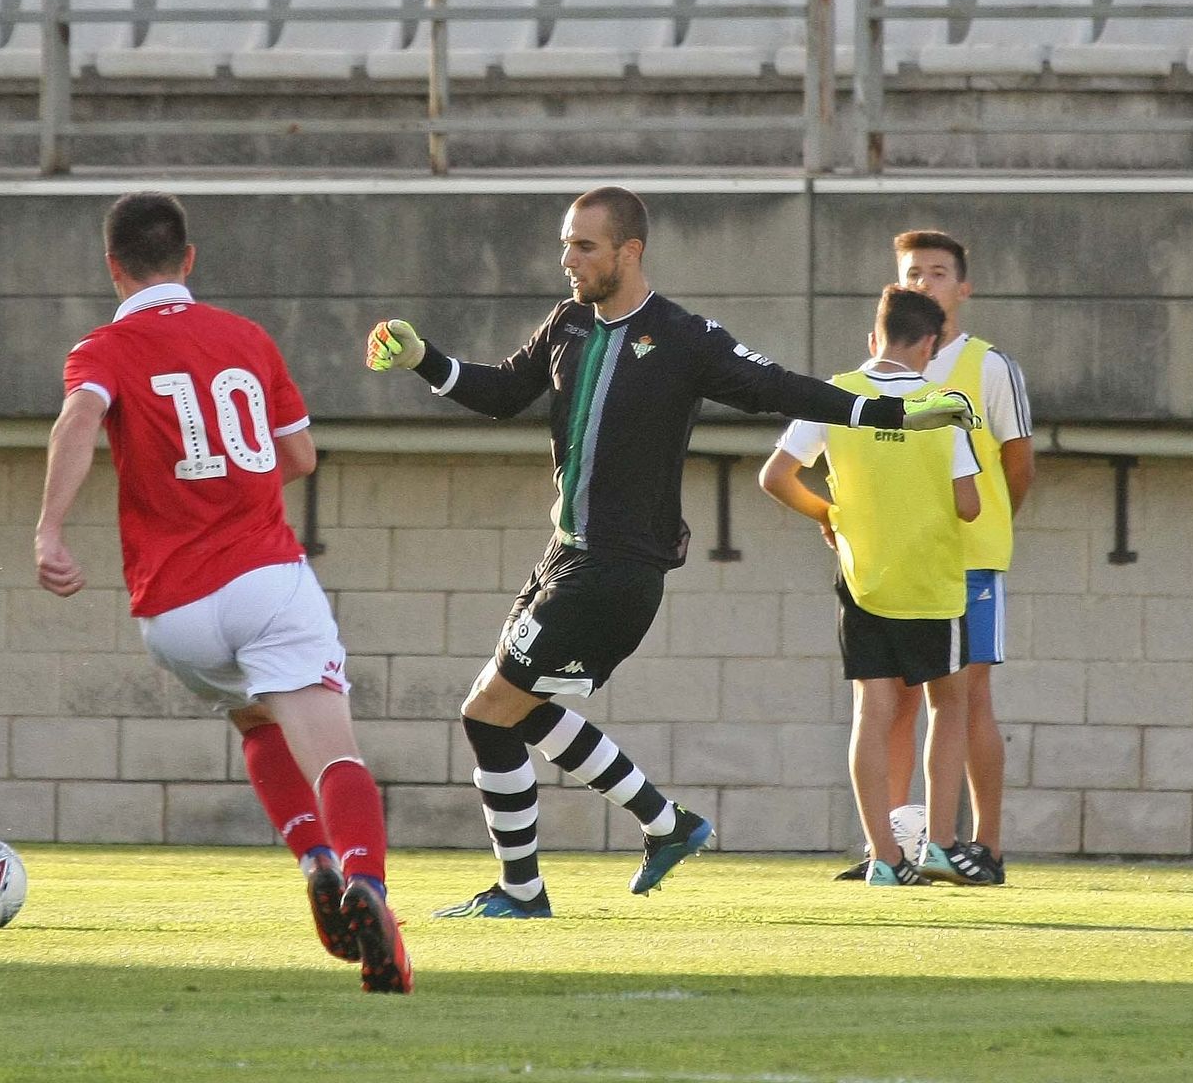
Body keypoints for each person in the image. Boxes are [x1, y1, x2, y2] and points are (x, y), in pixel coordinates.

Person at [363, 186, 976, 917]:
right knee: (519, 710)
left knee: (485, 712)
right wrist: (425, 358)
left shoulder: (684, 337)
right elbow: (500, 392)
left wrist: (893, 412)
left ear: (629, 252)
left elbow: (778, 386)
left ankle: (523, 891)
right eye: (565, 243)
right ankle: (666, 823)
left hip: (618, 568)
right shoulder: (567, 325)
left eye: (584, 247)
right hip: (566, 556)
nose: (568, 259)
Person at [34, 191, 411, 993]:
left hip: (171, 614)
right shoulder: (245, 338)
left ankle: (310, 857)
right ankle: (365, 887)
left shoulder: (103, 347)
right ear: (189, 259)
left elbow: (78, 419)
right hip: (264, 578)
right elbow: (301, 456)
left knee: (253, 715)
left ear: (114, 268)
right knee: (335, 750)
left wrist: (50, 531)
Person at [760, 285, 993, 885]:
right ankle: (939, 843)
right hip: (931, 582)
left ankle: (883, 857)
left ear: (875, 338)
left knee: (873, 711)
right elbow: (969, 506)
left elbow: (776, 477)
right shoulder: (944, 404)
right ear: (931, 344)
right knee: (949, 704)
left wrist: (827, 515)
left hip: (864, 579)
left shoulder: (836, 394)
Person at [834, 230, 1035, 885]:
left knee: (970, 696)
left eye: (938, 272)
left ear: (964, 288)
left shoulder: (989, 368)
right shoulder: (877, 375)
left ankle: (986, 846)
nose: (925, 283)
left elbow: (1018, 464)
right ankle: (890, 849)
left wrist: (984, 528)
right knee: (892, 701)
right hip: (896, 563)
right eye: (913, 273)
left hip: (967, 560)